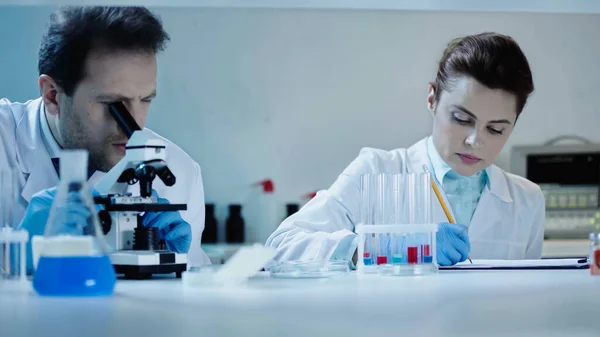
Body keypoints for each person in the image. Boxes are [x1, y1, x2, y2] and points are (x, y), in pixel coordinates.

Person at [265, 32, 545, 267]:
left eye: (496, 129)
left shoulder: (527, 200)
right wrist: (388, 248)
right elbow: (280, 246)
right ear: (432, 98)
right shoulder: (376, 170)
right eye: (461, 118)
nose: (475, 141)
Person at [0, 6, 210, 271]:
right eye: (113, 103)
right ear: (53, 94)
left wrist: (172, 270)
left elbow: (192, 298)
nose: (133, 126)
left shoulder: (179, 170)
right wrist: (10, 259)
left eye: (145, 100)